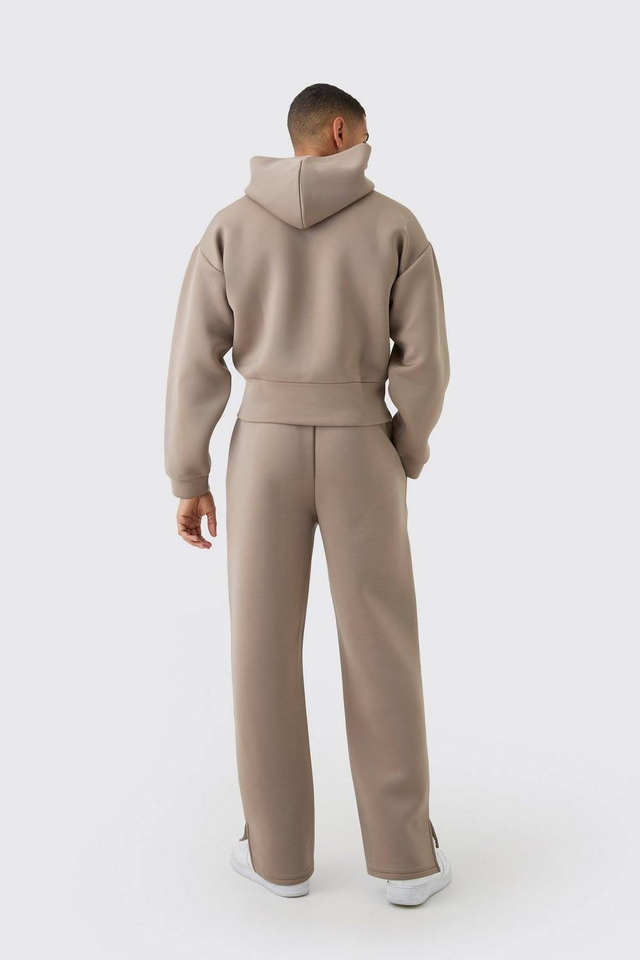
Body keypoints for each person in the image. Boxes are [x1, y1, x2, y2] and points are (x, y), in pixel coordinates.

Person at [164, 83, 450, 907]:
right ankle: (406, 863)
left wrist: (189, 475)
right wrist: (403, 448)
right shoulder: (396, 225)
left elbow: (195, 358)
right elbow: (425, 362)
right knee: (381, 646)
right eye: (366, 131)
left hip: (263, 451)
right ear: (340, 130)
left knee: (261, 649)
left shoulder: (230, 226)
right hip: (361, 442)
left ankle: (278, 857)